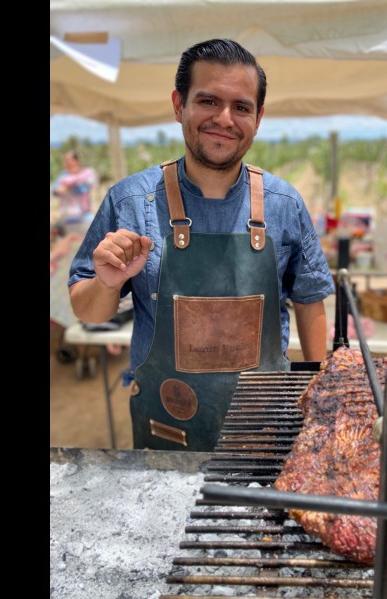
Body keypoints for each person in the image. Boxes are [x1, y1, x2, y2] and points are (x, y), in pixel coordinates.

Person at [68, 39, 335, 451]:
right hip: (166, 427)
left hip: (262, 428)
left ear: (258, 117)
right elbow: (87, 310)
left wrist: (319, 396)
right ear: (179, 105)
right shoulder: (130, 202)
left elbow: (309, 299)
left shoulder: (285, 204)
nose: (224, 119)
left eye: (241, 107)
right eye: (208, 101)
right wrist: (106, 283)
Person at [51, 150, 99, 235]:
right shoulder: (63, 175)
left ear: (77, 161)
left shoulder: (87, 173)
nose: (66, 163)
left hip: (83, 215)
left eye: (68, 160)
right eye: (65, 161)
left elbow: (91, 184)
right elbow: (54, 190)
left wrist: (70, 185)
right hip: (67, 215)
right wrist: (60, 190)